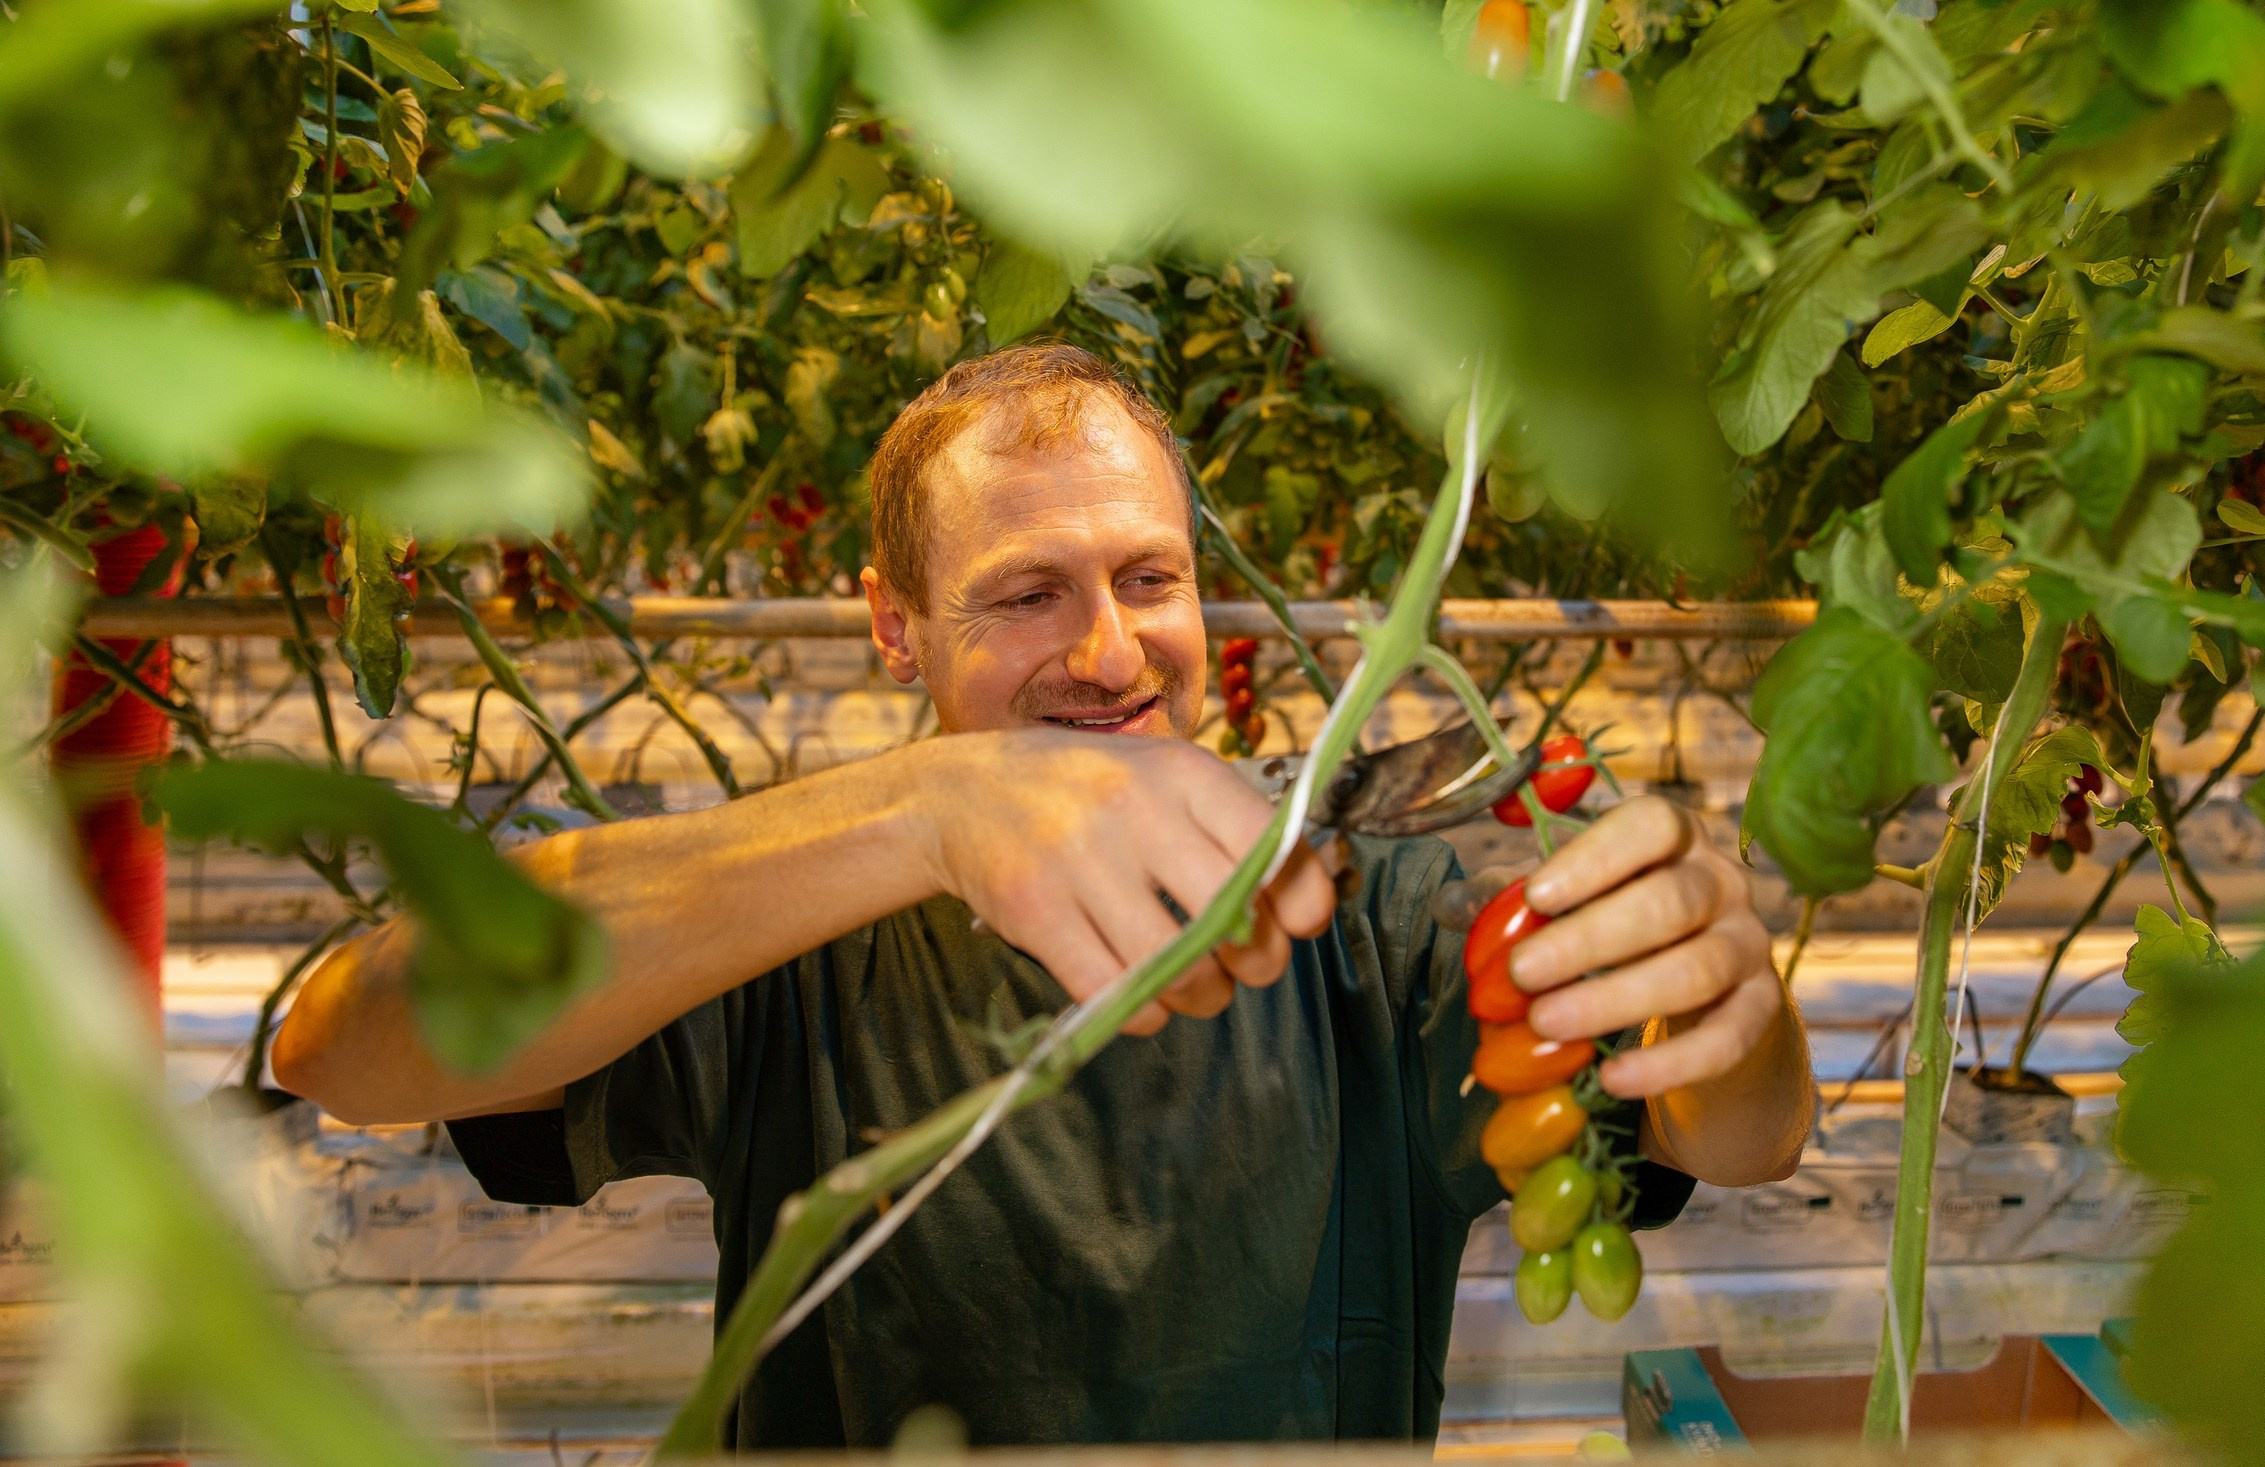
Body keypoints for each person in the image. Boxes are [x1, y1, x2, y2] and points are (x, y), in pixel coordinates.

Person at [273, 345, 1812, 1451]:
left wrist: (1735, 1004)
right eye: (1026, 595)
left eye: (1151, 580)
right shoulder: (782, 915)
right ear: (893, 625)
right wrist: (922, 807)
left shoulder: (1371, 901)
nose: (1108, 652)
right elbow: (344, 1046)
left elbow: (1738, 1139)